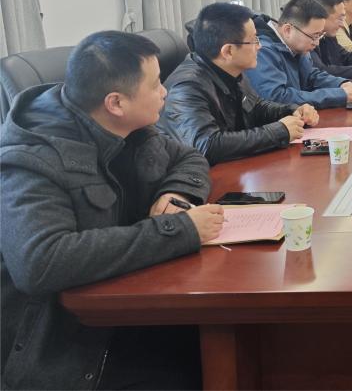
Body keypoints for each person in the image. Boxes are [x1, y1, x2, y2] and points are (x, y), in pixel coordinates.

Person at [1, 31, 224, 390]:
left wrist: (177, 192)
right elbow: (41, 262)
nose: (165, 91)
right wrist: (178, 230)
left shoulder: (130, 128)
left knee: (244, 345)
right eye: (155, 84)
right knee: (217, 360)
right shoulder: (30, 161)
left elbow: (189, 156)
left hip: (135, 303)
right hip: (70, 345)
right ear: (116, 102)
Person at [159, 2, 319, 165]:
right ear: (228, 51)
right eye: (254, 40)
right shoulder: (186, 87)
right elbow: (207, 145)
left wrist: (291, 111)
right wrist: (279, 132)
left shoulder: (231, 70)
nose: (260, 46)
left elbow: (255, 107)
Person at [246, 0, 352, 109]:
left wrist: (341, 84)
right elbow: (278, 97)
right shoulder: (262, 51)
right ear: (288, 30)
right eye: (314, 36)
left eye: (320, 35)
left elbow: (311, 76)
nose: (317, 43)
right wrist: (339, 95)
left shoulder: (297, 45)